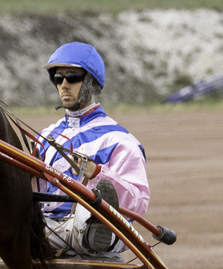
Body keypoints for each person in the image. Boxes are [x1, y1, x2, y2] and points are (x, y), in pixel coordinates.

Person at [34, 42, 149, 256]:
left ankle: (94, 228)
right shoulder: (45, 136)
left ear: (93, 82)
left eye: (73, 77)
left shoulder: (119, 140)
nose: (64, 85)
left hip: (100, 227)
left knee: (87, 218)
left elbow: (138, 202)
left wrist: (97, 174)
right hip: (45, 225)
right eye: (58, 78)